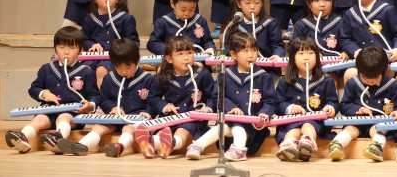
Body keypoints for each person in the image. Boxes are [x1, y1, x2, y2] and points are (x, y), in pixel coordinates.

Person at [4, 27, 98, 153]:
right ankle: (22, 138)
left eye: (72, 48)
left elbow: (94, 95)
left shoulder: (86, 71)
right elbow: (33, 88)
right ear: (55, 49)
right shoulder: (47, 69)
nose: (66, 52)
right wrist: (44, 94)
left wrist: (90, 105)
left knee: (63, 117)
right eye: (61, 47)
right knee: (39, 119)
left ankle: (58, 140)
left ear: (80, 50)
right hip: (49, 110)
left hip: (73, 113)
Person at [186, 32, 276, 161]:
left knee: (238, 127)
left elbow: (270, 101)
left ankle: (239, 149)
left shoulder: (263, 76)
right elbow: (218, 97)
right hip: (230, 122)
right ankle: (198, 146)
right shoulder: (225, 75)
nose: (251, 55)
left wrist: (264, 113)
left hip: (253, 128)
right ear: (234, 54)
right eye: (245, 51)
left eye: (254, 50)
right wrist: (231, 108)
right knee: (222, 127)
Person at [56, 38, 153, 157]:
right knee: (99, 127)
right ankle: (80, 146)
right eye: (119, 67)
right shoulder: (109, 78)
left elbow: (153, 100)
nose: (123, 72)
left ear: (137, 60)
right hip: (115, 117)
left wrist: (148, 112)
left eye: (128, 67)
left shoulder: (147, 78)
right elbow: (104, 99)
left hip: (135, 118)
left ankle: (119, 147)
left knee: (128, 129)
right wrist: (112, 107)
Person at [135, 37, 215, 159]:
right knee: (164, 130)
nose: (186, 57)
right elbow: (153, 97)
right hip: (170, 118)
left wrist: (208, 108)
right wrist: (164, 106)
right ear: (169, 59)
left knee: (183, 130)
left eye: (189, 53)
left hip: (194, 120)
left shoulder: (203, 74)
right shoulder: (163, 76)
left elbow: (213, 96)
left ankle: (164, 143)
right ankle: (152, 144)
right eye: (180, 54)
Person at [328, 46, 397, 162]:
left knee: (378, 129)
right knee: (350, 129)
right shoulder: (353, 83)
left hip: (380, 124)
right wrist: (358, 109)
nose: (370, 81)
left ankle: (377, 147)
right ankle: (337, 145)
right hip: (358, 122)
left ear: (384, 70)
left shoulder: (392, 85)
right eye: (365, 77)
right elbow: (344, 105)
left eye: (375, 77)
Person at [275, 37, 338, 161]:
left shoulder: (326, 80)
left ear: (317, 57)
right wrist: (290, 108)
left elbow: (333, 101)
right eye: (301, 53)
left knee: (308, 125)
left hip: (316, 120)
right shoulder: (285, 81)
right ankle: (288, 145)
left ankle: (307, 142)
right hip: (291, 120)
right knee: (293, 130)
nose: (306, 57)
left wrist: (330, 107)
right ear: (293, 58)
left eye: (310, 53)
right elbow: (278, 103)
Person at [82, 0, 139, 88]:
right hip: (94, 57)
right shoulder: (90, 18)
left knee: (101, 70)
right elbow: (84, 38)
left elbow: (134, 42)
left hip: (115, 58)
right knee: (84, 70)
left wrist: (121, 48)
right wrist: (92, 45)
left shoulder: (125, 18)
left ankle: (104, 98)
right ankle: (91, 96)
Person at [147, 0, 214, 56]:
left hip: (195, 60)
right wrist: (168, 50)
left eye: (192, 9)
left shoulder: (200, 21)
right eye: (183, 10)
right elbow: (153, 43)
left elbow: (208, 41)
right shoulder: (163, 22)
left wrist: (209, 49)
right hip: (172, 60)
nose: (187, 13)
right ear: (172, 3)